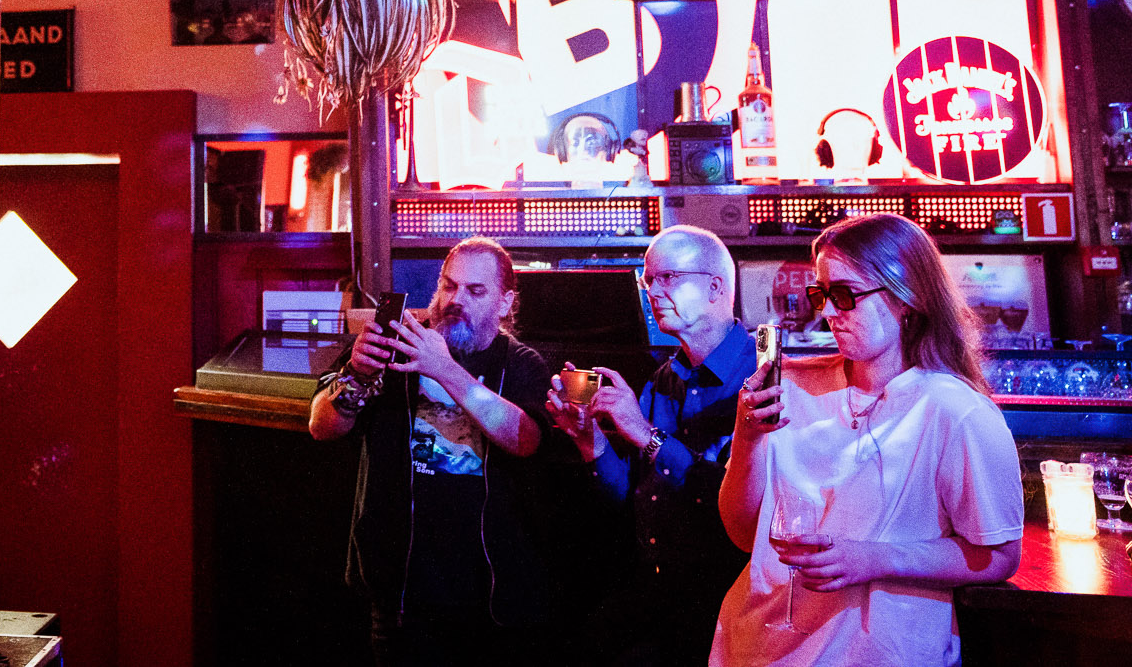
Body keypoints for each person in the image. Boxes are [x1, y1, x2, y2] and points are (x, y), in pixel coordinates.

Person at [713, 213, 1023, 666]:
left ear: (906, 299)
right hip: (759, 646)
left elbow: (997, 556)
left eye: (845, 295)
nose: (828, 313)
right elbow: (743, 535)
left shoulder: (956, 410)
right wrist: (748, 437)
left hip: (877, 652)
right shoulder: (791, 387)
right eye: (821, 294)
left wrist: (874, 560)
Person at [308, 238, 551, 667]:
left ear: (504, 302)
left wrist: (443, 368)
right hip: (400, 595)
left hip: (488, 597)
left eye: (475, 291)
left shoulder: (520, 363)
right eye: (449, 286)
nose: (457, 300)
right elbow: (322, 426)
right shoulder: (393, 345)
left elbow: (526, 439)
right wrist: (356, 373)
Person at [545, 225, 754, 667]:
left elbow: (738, 501)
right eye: (648, 280)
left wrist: (645, 434)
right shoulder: (663, 380)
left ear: (716, 286)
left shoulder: (762, 375)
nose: (653, 291)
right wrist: (592, 441)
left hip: (733, 597)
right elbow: (635, 498)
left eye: (669, 278)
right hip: (659, 593)